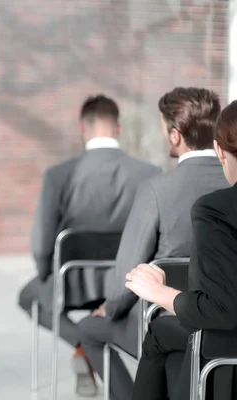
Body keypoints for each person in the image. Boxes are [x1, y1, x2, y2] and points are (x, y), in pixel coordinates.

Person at [76, 87, 228, 399]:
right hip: (224, 317)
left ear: (174, 135)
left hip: (167, 316)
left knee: (89, 329)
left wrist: (111, 309)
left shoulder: (158, 190)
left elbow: (128, 274)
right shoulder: (231, 182)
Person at [18, 95, 160, 395]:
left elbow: (42, 243)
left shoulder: (59, 175)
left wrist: (47, 273)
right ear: (118, 127)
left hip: (72, 282)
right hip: (126, 284)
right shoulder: (148, 174)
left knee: (29, 296)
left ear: (82, 127)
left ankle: (85, 347)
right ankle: (93, 346)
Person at [125, 99, 237, 400]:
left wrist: (159, 293)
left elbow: (222, 311)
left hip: (226, 355)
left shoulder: (215, 210)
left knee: (160, 335)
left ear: (220, 151)